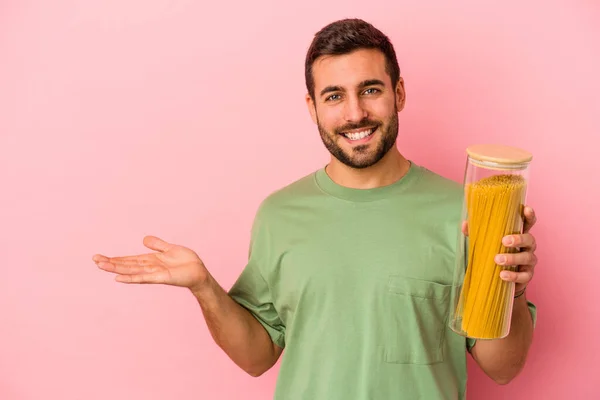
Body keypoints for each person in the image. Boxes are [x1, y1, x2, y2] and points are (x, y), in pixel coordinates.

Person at [92, 18, 538, 400]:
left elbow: (502, 368)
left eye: (370, 89)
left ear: (399, 93)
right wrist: (205, 287)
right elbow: (256, 357)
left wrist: (511, 290)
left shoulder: (465, 213)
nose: (355, 113)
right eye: (334, 96)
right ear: (313, 108)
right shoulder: (279, 215)